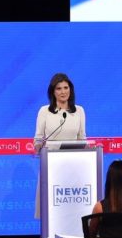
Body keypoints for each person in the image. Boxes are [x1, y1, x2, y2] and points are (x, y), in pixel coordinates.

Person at [33, 72, 87, 219]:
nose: (63, 92)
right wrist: (39, 146)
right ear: (53, 91)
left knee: (71, 211)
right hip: (51, 166)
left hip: (73, 167)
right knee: (52, 208)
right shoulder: (44, 111)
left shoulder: (79, 111)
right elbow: (37, 140)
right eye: (59, 88)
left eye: (66, 87)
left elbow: (82, 139)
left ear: (71, 89)